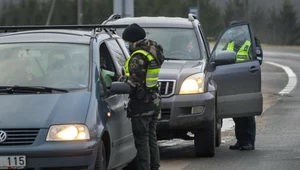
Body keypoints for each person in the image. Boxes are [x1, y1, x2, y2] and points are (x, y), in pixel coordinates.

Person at [119, 23, 164, 170]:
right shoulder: (152, 51)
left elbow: (134, 83)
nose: (126, 45)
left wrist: (120, 81)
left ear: (132, 40)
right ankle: (154, 167)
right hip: (154, 101)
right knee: (152, 139)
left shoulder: (138, 57)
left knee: (142, 141)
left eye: (127, 42)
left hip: (142, 105)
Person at [224, 20, 263, 151]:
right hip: (232, 82)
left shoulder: (252, 42)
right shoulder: (230, 43)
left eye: (235, 30)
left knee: (247, 114)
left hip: (247, 81)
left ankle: (249, 142)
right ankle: (240, 140)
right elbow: (221, 57)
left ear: (241, 30)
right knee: (237, 113)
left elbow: (258, 60)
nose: (233, 33)